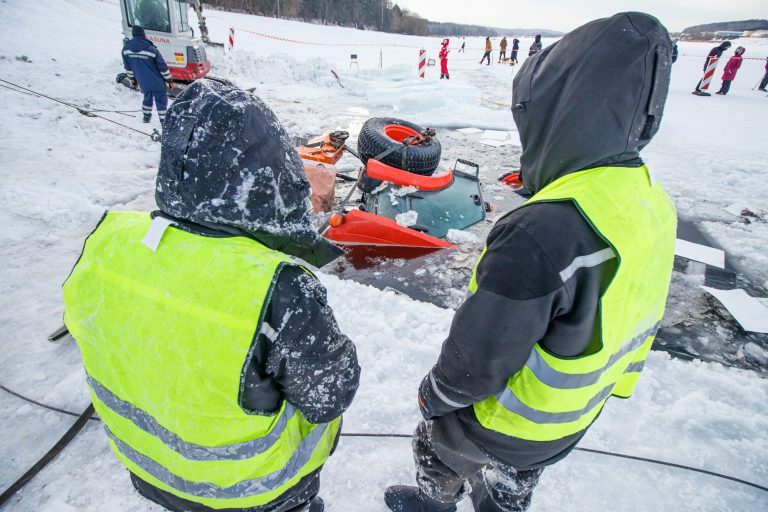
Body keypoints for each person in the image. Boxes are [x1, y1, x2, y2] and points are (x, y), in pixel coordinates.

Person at [384, 12, 676, 512]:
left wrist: (434, 396)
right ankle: (504, 502)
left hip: (509, 420)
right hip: (577, 415)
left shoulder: (543, 230)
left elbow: (477, 360)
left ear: (562, 113)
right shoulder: (651, 201)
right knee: (516, 476)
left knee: (435, 449)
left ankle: (434, 502)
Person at [61, 80, 361, 512]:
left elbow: (84, 327)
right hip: (256, 492)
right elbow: (330, 394)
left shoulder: (108, 241)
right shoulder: (279, 287)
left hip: (148, 471)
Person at [122, 25, 174, 123]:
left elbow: (128, 67)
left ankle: (146, 117)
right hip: (157, 83)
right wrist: (169, 80)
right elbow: (163, 67)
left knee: (147, 97)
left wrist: (133, 79)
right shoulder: (151, 49)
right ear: (143, 35)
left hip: (143, 83)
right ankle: (164, 122)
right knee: (161, 101)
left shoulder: (125, 50)